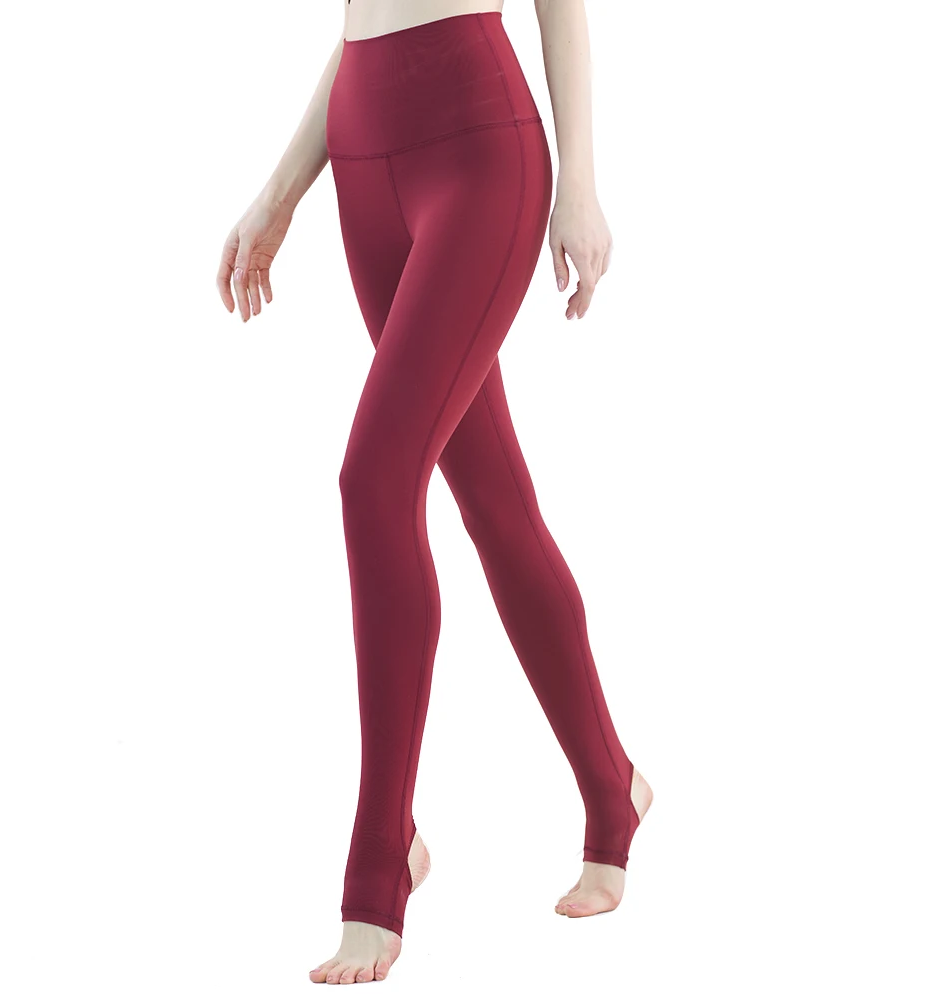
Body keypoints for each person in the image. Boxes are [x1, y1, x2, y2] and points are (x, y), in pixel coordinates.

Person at [215, 0, 653, 985]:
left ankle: (381, 858)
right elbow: (360, 19)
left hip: (478, 149)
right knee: (493, 502)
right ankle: (610, 784)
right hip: (361, 154)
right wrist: (280, 192)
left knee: (373, 479)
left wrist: (580, 183)